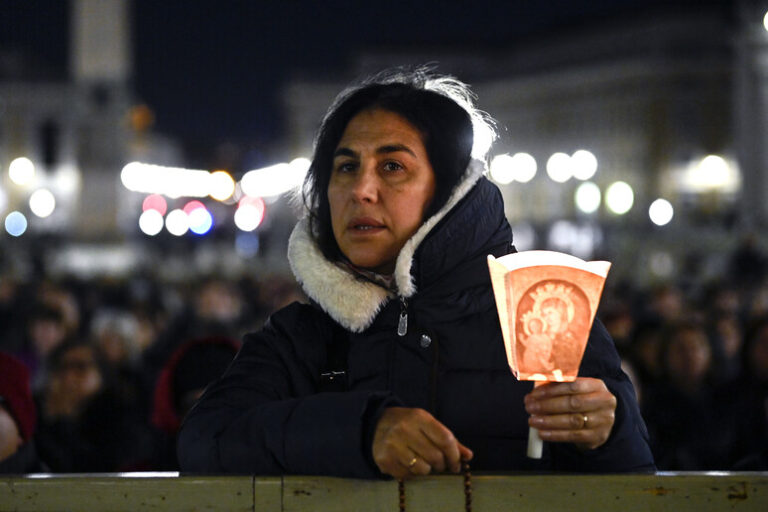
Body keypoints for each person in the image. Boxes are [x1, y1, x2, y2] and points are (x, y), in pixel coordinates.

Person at [178, 68, 654, 478]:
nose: (362, 189)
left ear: (447, 190)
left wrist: (607, 433)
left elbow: (636, 484)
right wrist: (361, 433)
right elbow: (204, 441)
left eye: (392, 166)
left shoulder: (542, 314)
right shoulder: (300, 338)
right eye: (346, 167)